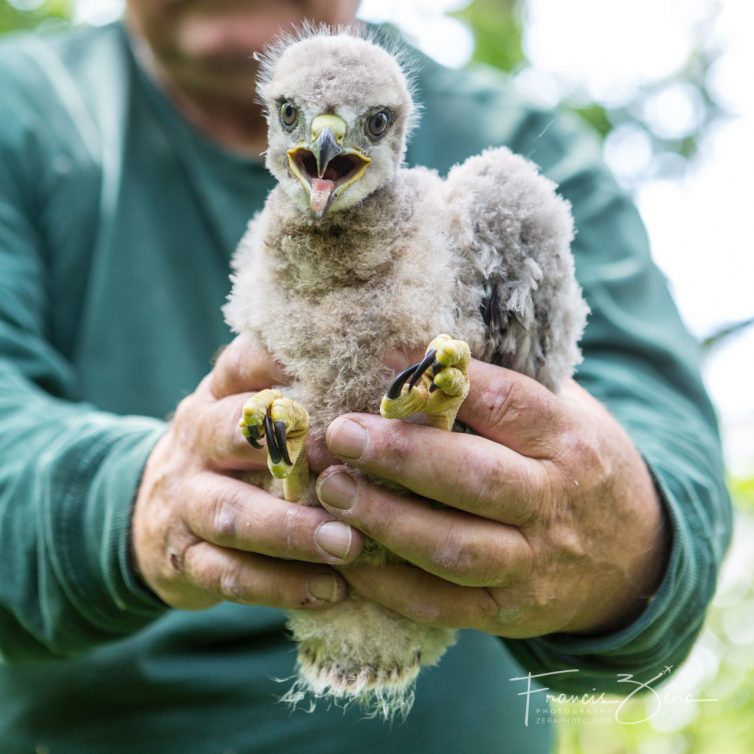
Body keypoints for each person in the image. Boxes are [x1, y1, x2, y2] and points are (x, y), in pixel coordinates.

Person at [0, 1, 731, 752]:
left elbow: (669, 458)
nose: (326, 135)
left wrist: (613, 526)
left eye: (370, 123)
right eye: (295, 114)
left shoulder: (511, 146)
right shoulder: (22, 114)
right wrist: (146, 501)